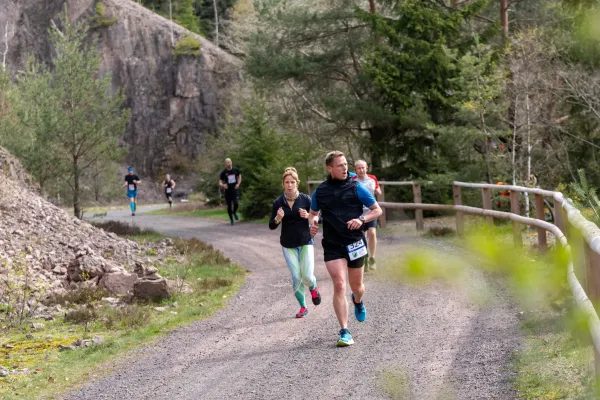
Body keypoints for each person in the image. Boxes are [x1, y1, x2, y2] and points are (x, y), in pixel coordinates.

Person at [309, 151, 382, 347]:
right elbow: (313, 213)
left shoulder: (356, 188)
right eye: (340, 165)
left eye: (345, 164)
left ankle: (358, 301)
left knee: (357, 287)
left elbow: (377, 210)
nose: (345, 168)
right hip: (333, 245)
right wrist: (313, 223)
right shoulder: (320, 191)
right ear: (329, 168)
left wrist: (361, 219)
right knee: (340, 284)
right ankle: (344, 331)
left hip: (355, 243)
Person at [269, 167, 321, 318]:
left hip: (305, 241)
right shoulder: (278, 202)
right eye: (287, 182)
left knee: (307, 275)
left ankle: (313, 287)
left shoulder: (305, 200)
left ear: (297, 183)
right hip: (288, 244)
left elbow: (319, 218)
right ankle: (303, 307)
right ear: (283, 184)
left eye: (292, 182)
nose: (289, 185)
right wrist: (278, 218)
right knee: (296, 277)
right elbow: (271, 226)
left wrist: (307, 216)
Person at [352, 160, 382, 271]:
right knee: (362, 236)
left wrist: (377, 190)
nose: (361, 170)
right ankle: (364, 258)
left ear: (367, 168)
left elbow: (378, 190)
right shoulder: (352, 181)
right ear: (355, 170)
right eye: (359, 168)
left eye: (363, 167)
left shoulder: (372, 178)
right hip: (359, 212)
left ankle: (372, 258)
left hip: (371, 211)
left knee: (372, 232)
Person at [218, 158, 242, 225]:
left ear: (231, 162)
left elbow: (239, 176)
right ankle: (231, 220)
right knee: (229, 206)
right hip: (228, 191)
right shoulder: (224, 172)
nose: (229, 163)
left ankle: (234, 212)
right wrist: (223, 185)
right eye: (227, 162)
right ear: (225, 164)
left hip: (234, 190)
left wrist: (238, 184)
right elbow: (219, 182)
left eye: (230, 162)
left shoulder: (235, 170)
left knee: (236, 203)